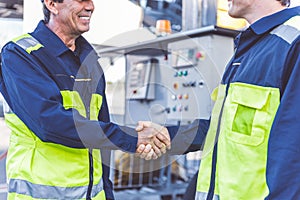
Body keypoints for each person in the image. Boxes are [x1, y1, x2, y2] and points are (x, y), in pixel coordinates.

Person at [0, 0, 170, 199]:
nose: (90, 6)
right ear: (52, 4)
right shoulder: (20, 54)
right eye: (81, 0)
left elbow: (101, 132)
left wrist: (107, 193)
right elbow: (50, 123)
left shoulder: (89, 61)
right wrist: (132, 138)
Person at [137, 0, 300, 199]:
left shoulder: (294, 42)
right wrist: (168, 135)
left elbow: (293, 152)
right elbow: (222, 129)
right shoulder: (249, 47)